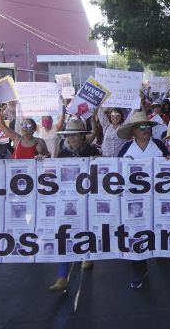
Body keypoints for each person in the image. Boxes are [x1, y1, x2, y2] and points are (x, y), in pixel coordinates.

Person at [116, 110, 170, 289]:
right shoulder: (125, 149)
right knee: (136, 234)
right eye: (141, 127)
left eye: (147, 126)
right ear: (133, 131)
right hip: (134, 202)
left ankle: (161, 252)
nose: (146, 129)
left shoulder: (161, 147)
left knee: (158, 230)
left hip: (157, 200)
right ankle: (140, 269)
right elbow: (116, 175)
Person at [47, 119, 100, 291]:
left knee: (86, 229)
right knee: (66, 235)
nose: (72, 138)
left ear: (82, 136)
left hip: (87, 200)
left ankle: (87, 254)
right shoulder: (62, 154)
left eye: (75, 134)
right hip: (68, 200)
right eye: (69, 135)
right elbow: (55, 172)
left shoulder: (92, 151)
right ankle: (62, 277)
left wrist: (100, 160)